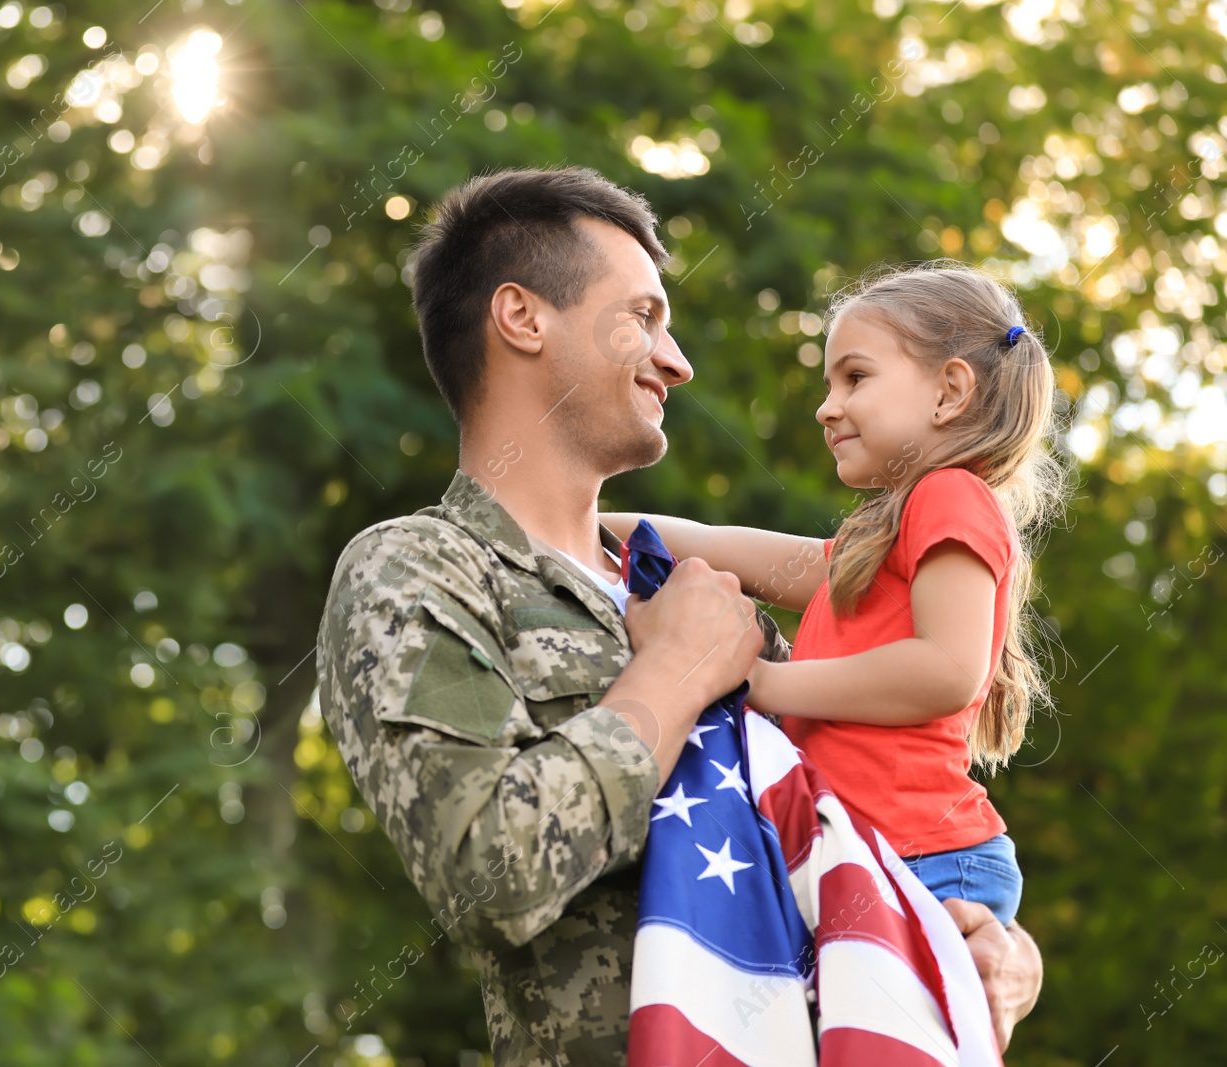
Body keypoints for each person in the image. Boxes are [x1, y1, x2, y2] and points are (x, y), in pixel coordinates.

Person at [314, 167, 1042, 1065]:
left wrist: (1002, 949)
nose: (678, 360)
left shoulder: (693, 593)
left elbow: (882, 798)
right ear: (522, 317)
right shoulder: (421, 569)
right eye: (642, 317)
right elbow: (487, 877)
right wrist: (672, 676)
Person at [602, 262, 1065, 928]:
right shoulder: (880, 539)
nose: (826, 406)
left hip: (927, 862)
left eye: (856, 377)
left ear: (949, 391)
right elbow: (718, 541)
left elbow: (945, 670)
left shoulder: (949, 495)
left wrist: (760, 681)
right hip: (881, 857)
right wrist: (590, 527)